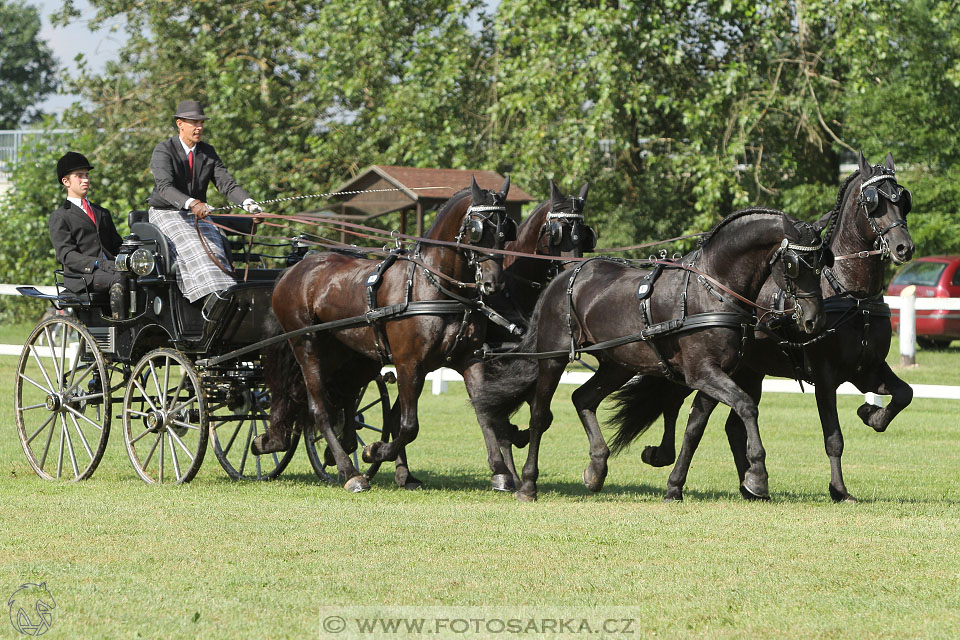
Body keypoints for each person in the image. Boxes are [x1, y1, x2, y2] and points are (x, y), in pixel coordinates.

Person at [146, 99, 261, 303]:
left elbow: (227, 184)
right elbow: (165, 188)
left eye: (201, 123)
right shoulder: (164, 150)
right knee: (195, 248)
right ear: (180, 124)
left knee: (215, 250)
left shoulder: (208, 152)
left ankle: (227, 298)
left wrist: (249, 204)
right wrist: (191, 203)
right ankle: (208, 300)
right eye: (193, 122)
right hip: (167, 212)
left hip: (197, 213)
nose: (199, 127)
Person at [49, 151, 128, 319]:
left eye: (87, 175)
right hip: (82, 277)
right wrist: (99, 263)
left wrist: (131, 255)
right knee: (119, 277)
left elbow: (116, 244)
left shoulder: (102, 212)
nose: (85, 180)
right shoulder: (60, 216)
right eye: (79, 176)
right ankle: (120, 327)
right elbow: (66, 255)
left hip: (109, 270)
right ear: (66, 181)